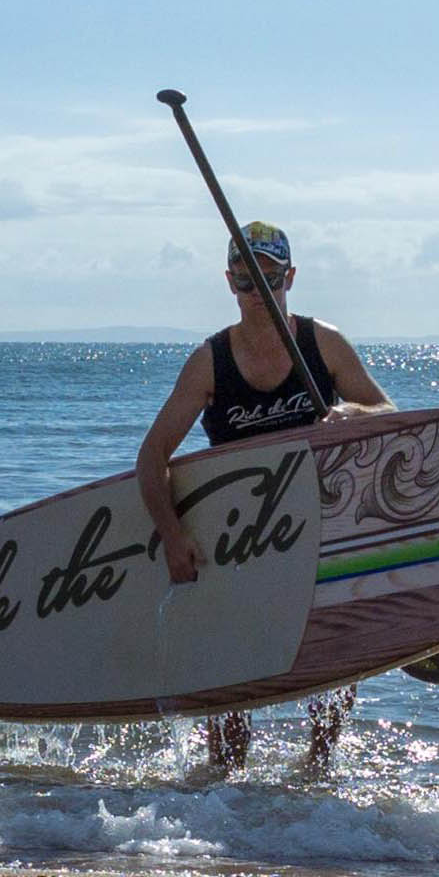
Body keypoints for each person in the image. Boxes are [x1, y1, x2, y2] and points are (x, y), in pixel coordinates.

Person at [132, 221, 389, 770]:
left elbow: (390, 416)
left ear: (290, 277)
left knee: (331, 668)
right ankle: (226, 805)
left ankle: (315, 781)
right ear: (230, 284)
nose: (259, 295)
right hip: (236, 544)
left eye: (270, 280)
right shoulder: (210, 362)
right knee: (230, 701)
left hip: (318, 532)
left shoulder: (325, 345)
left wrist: (351, 413)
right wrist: (173, 539)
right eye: (247, 283)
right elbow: (152, 460)